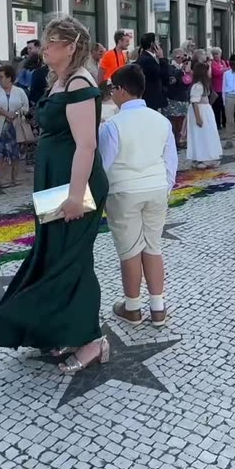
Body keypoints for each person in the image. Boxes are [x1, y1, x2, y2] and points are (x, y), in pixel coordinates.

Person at [0, 16, 111, 375]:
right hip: (57, 183)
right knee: (56, 257)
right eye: (45, 40)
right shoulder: (61, 81)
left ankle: (93, 340)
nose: (45, 47)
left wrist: (74, 196)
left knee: (74, 260)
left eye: (52, 41)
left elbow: (86, 145)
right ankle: (69, 328)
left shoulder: (81, 82)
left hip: (76, 186)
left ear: (70, 46)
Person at [98, 64, 175, 327]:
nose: (112, 94)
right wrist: (164, 188)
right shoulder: (161, 120)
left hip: (124, 190)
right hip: (155, 188)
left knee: (130, 251)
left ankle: (132, 307)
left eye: (112, 89)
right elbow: (170, 162)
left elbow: (104, 165)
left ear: (121, 90)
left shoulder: (112, 125)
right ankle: (158, 307)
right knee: (153, 246)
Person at [0, 64, 30, 187]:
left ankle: (15, 177)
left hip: (15, 127)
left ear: (9, 78)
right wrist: (6, 114)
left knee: (15, 152)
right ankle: (1, 178)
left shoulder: (20, 91)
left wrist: (15, 114)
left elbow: (25, 106)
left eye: (0, 77)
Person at [185, 61, 222, 167]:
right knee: (201, 134)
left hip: (206, 110)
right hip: (200, 111)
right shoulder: (198, 86)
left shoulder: (205, 85)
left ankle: (208, 156)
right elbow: (194, 102)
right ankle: (202, 158)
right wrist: (198, 118)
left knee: (208, 133)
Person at [137, 32, 169, 111]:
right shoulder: (147, 59)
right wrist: (162, 59)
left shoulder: (149, 57)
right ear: (152, 44)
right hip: (151, 98)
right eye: (157, 41)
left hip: (152, 98)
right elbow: (163, 75)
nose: (159, 43)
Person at [209, 47, 229, 131]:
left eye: (217, 53)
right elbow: (216, 72)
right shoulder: (212, 63)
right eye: (214, 54)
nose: (216, 55)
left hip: (224, 88)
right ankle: (217, 124)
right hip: (216, 88)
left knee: (224, 107)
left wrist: (223, 70)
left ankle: (225, 123)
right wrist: (225, 70)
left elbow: (228, 70)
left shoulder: (223, 62)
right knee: (217, 108)